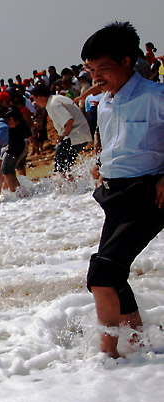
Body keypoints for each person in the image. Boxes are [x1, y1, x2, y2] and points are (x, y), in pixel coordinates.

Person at [80, 21, 164, 357]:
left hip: (148, 195)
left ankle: (108, 357)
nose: (96, 77)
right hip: (114, 196)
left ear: (127, 61)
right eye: (90, 69)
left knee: (101, 274)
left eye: (103, 68)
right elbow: (115, 142)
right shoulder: (104, 102)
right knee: (114, 275)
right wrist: (103, 164)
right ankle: (140, 345)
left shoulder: (155, 97)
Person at [30, 83, 92, 177]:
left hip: (74, 136)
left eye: (34, 98)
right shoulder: (55, 99)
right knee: (64, 167)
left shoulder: (53, 104)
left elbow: (69, 121)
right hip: (79, 135)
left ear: (39, 97)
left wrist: (61, 137)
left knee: (60, 168)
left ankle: (67, 189)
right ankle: (72, 188)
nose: (35, 102)